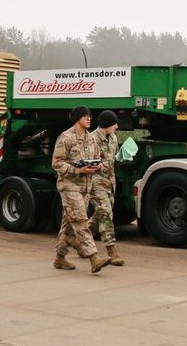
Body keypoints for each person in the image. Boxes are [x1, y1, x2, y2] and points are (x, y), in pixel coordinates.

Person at [51, 106, 111, 273]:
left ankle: (60, 258)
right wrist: (77, 170)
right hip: (69, 186)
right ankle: (93, 257)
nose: (89, 119)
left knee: (69, 224)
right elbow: (57, 163)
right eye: (85, 116)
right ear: (77, 118)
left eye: (90, 116)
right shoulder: (66, 137)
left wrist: (97, 165)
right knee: (80, 221)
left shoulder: (90, 139)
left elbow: (98, 157)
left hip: (85, 187)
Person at [89, 110, 123, 266]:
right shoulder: (91, 139)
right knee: (106, 212)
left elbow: (112, 158)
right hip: (95, 181)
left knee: (100, 214)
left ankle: (80, 239)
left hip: (109, 182)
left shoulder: (113, 138)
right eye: (114, 123)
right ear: (106, 125)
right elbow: (86, 162)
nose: (117, 126)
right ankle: (111, 250)